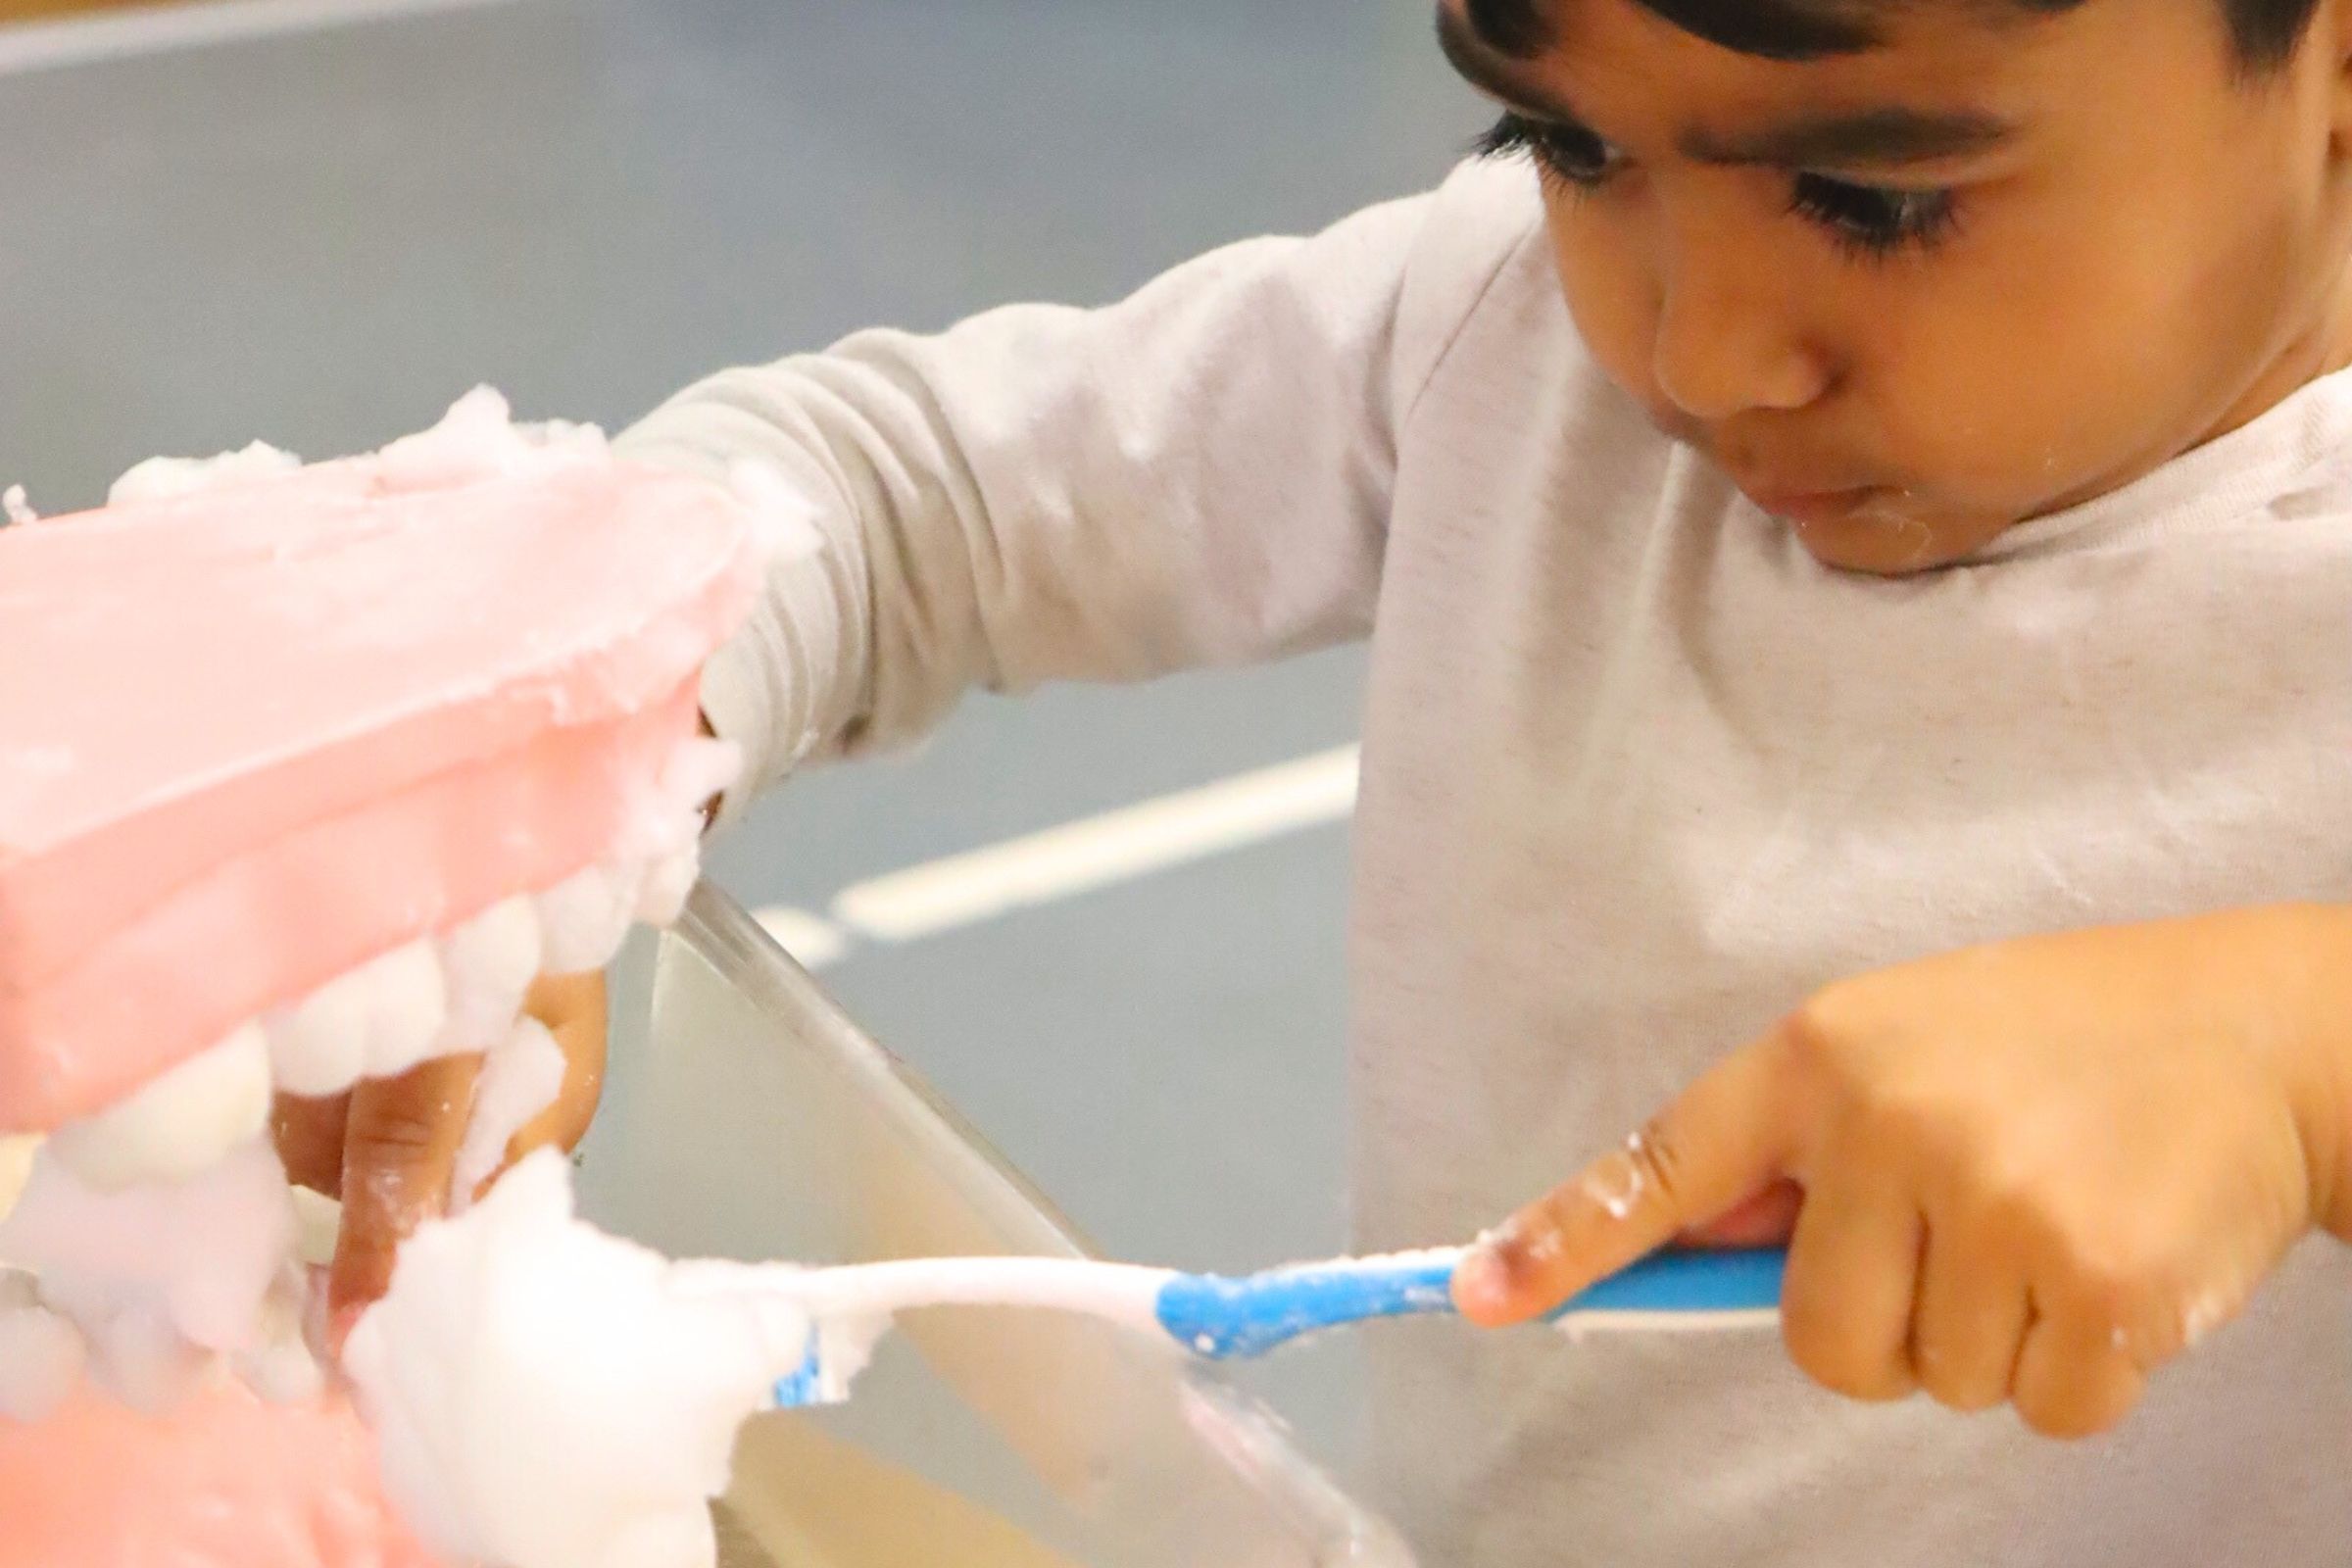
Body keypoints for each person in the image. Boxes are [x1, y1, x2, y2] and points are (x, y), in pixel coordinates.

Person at [312, 0, 2352, 1559]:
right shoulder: (1502, 339)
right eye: (1566, 137)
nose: (1702, 345)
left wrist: (2292, 1056)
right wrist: (539, 809)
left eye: (1876, 200)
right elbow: (892, 488)